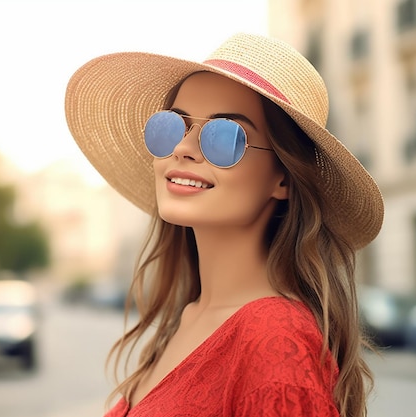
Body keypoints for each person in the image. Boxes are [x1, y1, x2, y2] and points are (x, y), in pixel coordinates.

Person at [64, 32, 384, 417]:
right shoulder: (188, 318)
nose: (183, 148)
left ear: (282, 177)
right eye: (172, 127)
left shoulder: (275, 337)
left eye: (225, 136)